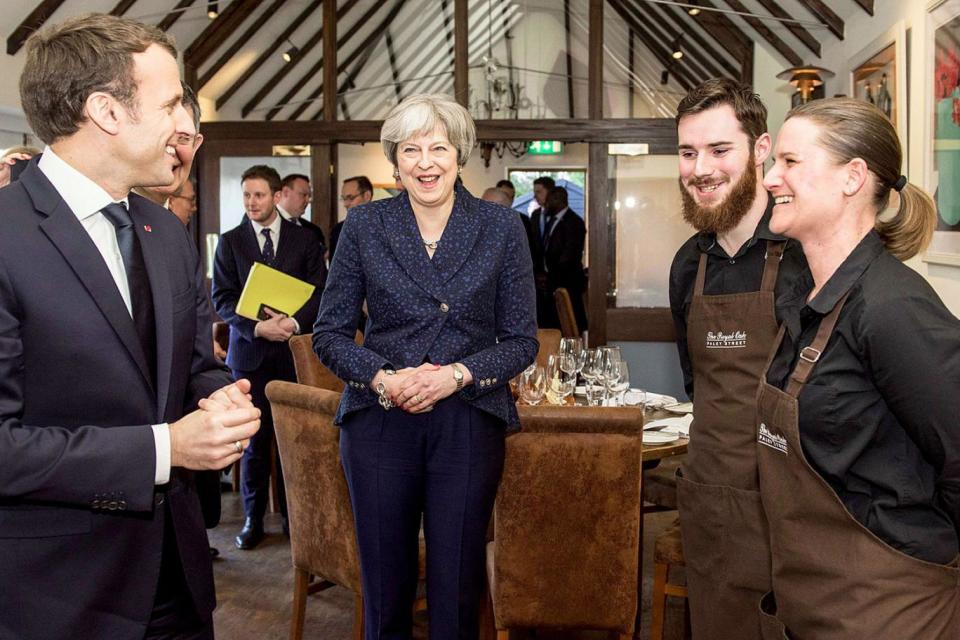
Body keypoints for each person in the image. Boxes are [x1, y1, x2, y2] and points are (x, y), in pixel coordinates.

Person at [0, 14, 260, 639]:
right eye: (171, 102)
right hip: (58, 592)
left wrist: (221, 398)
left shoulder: (165, 232)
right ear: (106, 112)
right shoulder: (6, 235)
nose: (185, 123)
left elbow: (191, 364)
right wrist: (167, 449)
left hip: (178, 577)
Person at [313, 93, 537, 639]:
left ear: (460, 154)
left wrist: (454, 375)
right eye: (411, 149)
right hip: (380, 419)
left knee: (457, 591)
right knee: (385, 594)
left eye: (438, 147)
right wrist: (383, 378)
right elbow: (329, 333)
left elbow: (521, 342)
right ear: (395, 160)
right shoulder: (363, 226)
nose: (425, 161)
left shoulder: (501, 227)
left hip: (466, 418)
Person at [756, 98, 960, 638]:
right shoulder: (804, 295)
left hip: (891, 606)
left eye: (790, 161)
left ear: (852, 178)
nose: (771, 176)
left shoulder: (894, 308)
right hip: (814, 599)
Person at [668, 78, 808, 640]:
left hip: (794, 503)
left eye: (719, 149)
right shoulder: (688, 264)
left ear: (761, 148)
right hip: (713, 501)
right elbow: (696, 382)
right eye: (687, 152)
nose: (700, 168)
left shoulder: (804, 252)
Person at [212, 164, 327, 550]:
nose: (251, 203)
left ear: (277, 197)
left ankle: (297, 520)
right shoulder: (230, 242)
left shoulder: (305, 239)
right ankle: (252, 518)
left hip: (295, 356)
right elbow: (222, 299)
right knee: (255, 443)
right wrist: (257, 328)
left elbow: (320, 292)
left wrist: (293, 324)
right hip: (250, 355)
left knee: (296, 441)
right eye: (246, 195)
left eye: (258, 195)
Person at [539, 186, 587, 332]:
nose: (545, 204)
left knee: (570, 325)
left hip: (567, 282)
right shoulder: (552, 221)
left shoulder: (574, 222)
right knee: (553, 324)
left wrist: (550, 276)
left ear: (558, 200)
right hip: (552, 281)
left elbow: (569, 256)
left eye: (548, 201)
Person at [329, 174, 373, 261]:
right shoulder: (338, 230)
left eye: (350, 198)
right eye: (344, 198)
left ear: (367, 196)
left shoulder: (385, 227)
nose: (346, 204)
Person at [277, 173, 326, 247]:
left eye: (309, 196)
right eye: (303, 195)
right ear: (286, 192)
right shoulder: (266, 223)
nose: (308, 200)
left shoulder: (313, 230)